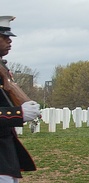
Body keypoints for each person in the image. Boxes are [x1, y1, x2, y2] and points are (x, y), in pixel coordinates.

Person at [0, 16, 40, 182]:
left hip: (6, 154)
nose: (10, 41)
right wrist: (18, 113)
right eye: (4, 37)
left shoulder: (3, 67)